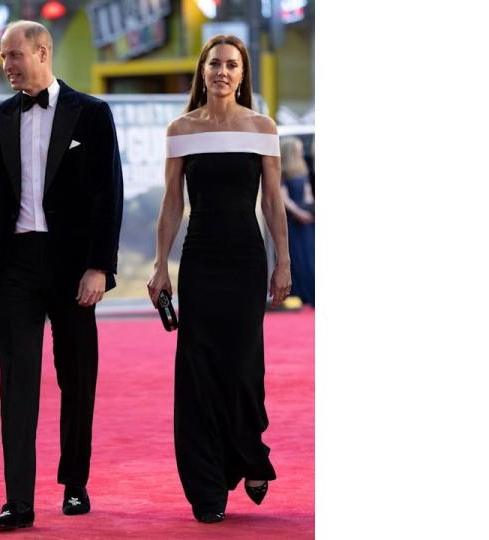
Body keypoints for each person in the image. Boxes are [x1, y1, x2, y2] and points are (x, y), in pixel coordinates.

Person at [0, 20, 123, 530]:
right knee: (18, 385)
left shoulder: (93, 114)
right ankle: (19, 500)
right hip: (14, 266)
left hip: (75, 266)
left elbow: (108, 196)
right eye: (2, 58)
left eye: (14, 55)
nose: (6, 65)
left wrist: (100, 266)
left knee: (77, 378)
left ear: (42, 50)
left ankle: (75, 483)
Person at [147, 34, 291, 524]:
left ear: (243, 72)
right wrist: (159, 264)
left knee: (244, 365)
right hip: (201, 262)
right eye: (215, 65)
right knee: (198, 370)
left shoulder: (261, 127)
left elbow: (272, 201)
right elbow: (172, 203)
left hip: (247, 260)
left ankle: (250, 454)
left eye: (232, 65)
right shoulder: (181, 129)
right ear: (202, 72)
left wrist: (284, 262)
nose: (223, 72)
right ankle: (206, 485)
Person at [279, 137, 315, 307]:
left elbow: (308, 193)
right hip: (293, 222)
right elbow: (284, 199)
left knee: (310, 257)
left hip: (307, 221)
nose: (302, 152)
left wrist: (309, 209)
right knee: (297, 258)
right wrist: (300, 212)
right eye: (299, 149)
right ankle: (299, 295)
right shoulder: (283, 171)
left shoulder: (303, 169)